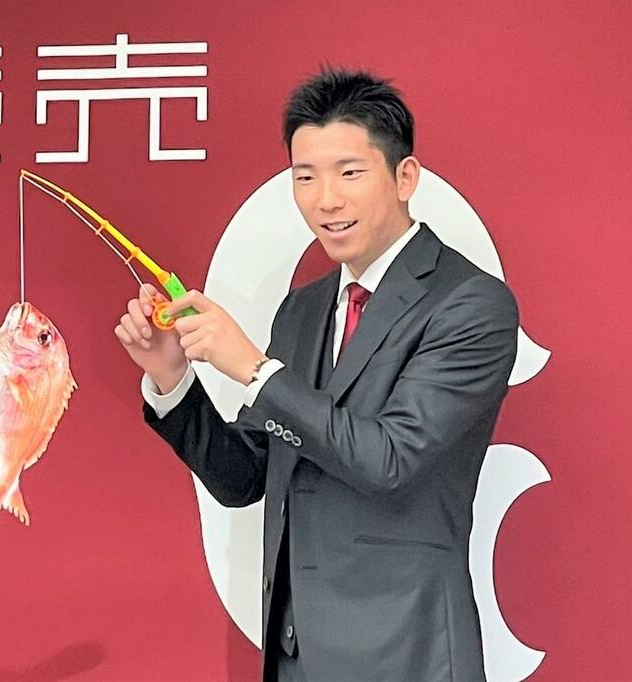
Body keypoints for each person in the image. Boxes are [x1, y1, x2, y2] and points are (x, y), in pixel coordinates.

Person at [114, 68, 518, 681]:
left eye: (349, 173)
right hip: (294, 656)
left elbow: (392, 459)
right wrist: (172, 379)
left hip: (407, 654)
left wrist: (254, 369)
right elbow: (245, 476)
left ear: (405, 177)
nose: (325, 200)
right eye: (304, 177)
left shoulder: (469, 303)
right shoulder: (303, 310)